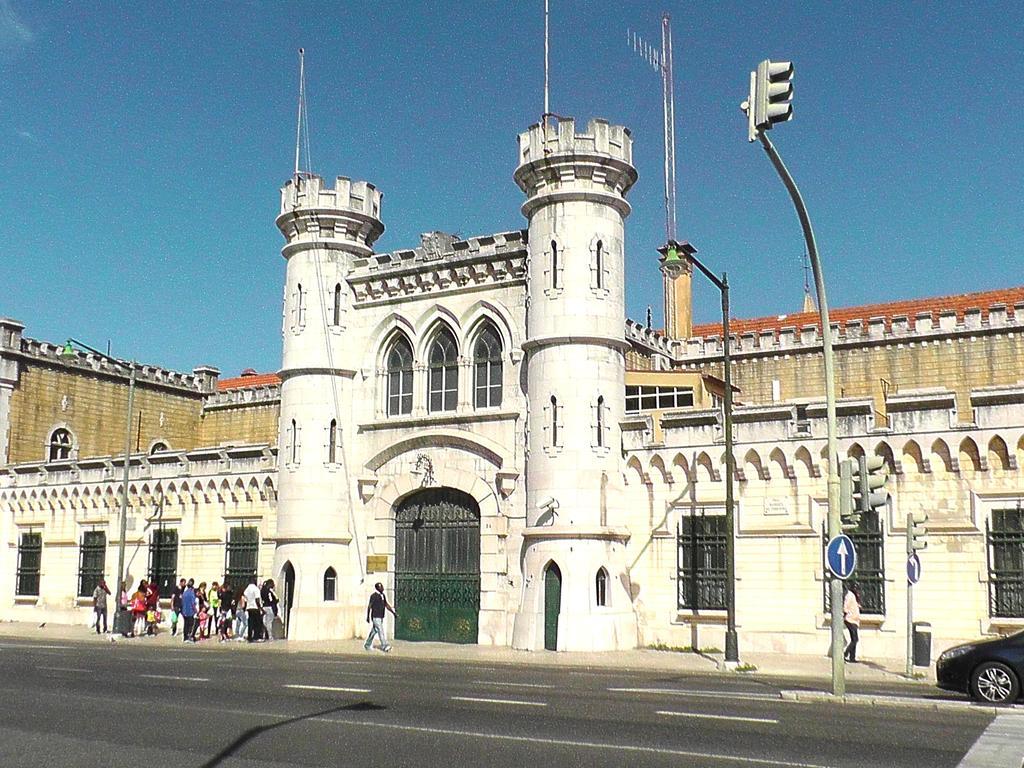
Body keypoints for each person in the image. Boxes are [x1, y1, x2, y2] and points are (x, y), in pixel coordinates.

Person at [364, 582, 396, 652]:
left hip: (381, 616)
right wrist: (368, 617)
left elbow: (386, 604)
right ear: (377, 588)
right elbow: (369, 606)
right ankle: (385, 645)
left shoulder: (383, 595)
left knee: (374, 631)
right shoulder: (373, 596)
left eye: (382, 586)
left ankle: (367, 644)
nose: (382, 588)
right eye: (380, 587)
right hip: (375, 616)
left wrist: (393, 613)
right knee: (380, 630)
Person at [844, 582, 862, 663]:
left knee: (853, 639)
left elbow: (855, 606)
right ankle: (845, 654)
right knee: (855, 639)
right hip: (850, 620)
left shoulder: (854, 596)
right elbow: (845, 606)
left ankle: (852, 658)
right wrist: (846, 612)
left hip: (854, 620)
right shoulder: (850, 595)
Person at [243, 577, 262, 643]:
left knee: (250, 623)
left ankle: (250, 637)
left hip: (249, 608)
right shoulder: (256, 589)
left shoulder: (246, 590)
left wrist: (245, 608)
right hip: (255, 608)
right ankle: (256, 637)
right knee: (257, 623)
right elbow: (257, 599)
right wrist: (260, 608)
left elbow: (245, 600)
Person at [181, 578, 198, 643]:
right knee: (190, 625)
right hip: (190, 612)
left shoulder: (184, 593)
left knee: (185, 624)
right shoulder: (191, 593)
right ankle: (188, 637)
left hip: (184, 611)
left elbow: (182, 602)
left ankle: (185, 637)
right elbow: (193, 603)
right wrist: (196, 611)